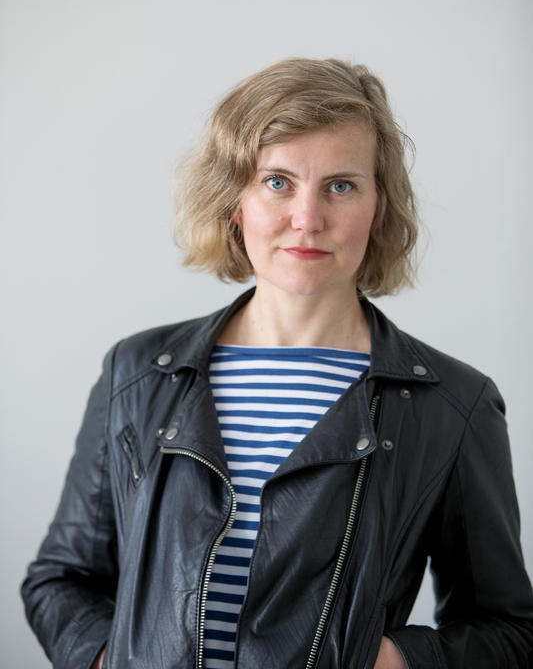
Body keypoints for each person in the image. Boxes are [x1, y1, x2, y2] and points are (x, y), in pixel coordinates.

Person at [22, 58, 533, 669]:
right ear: (234, 201)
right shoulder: (137, 373)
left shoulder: (452, 405)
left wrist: (393, 660)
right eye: (277, 182)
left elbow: (507, 629)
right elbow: (59, 578)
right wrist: (112, 657)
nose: (307, 219)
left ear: (378, 208)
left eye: (341, 185)